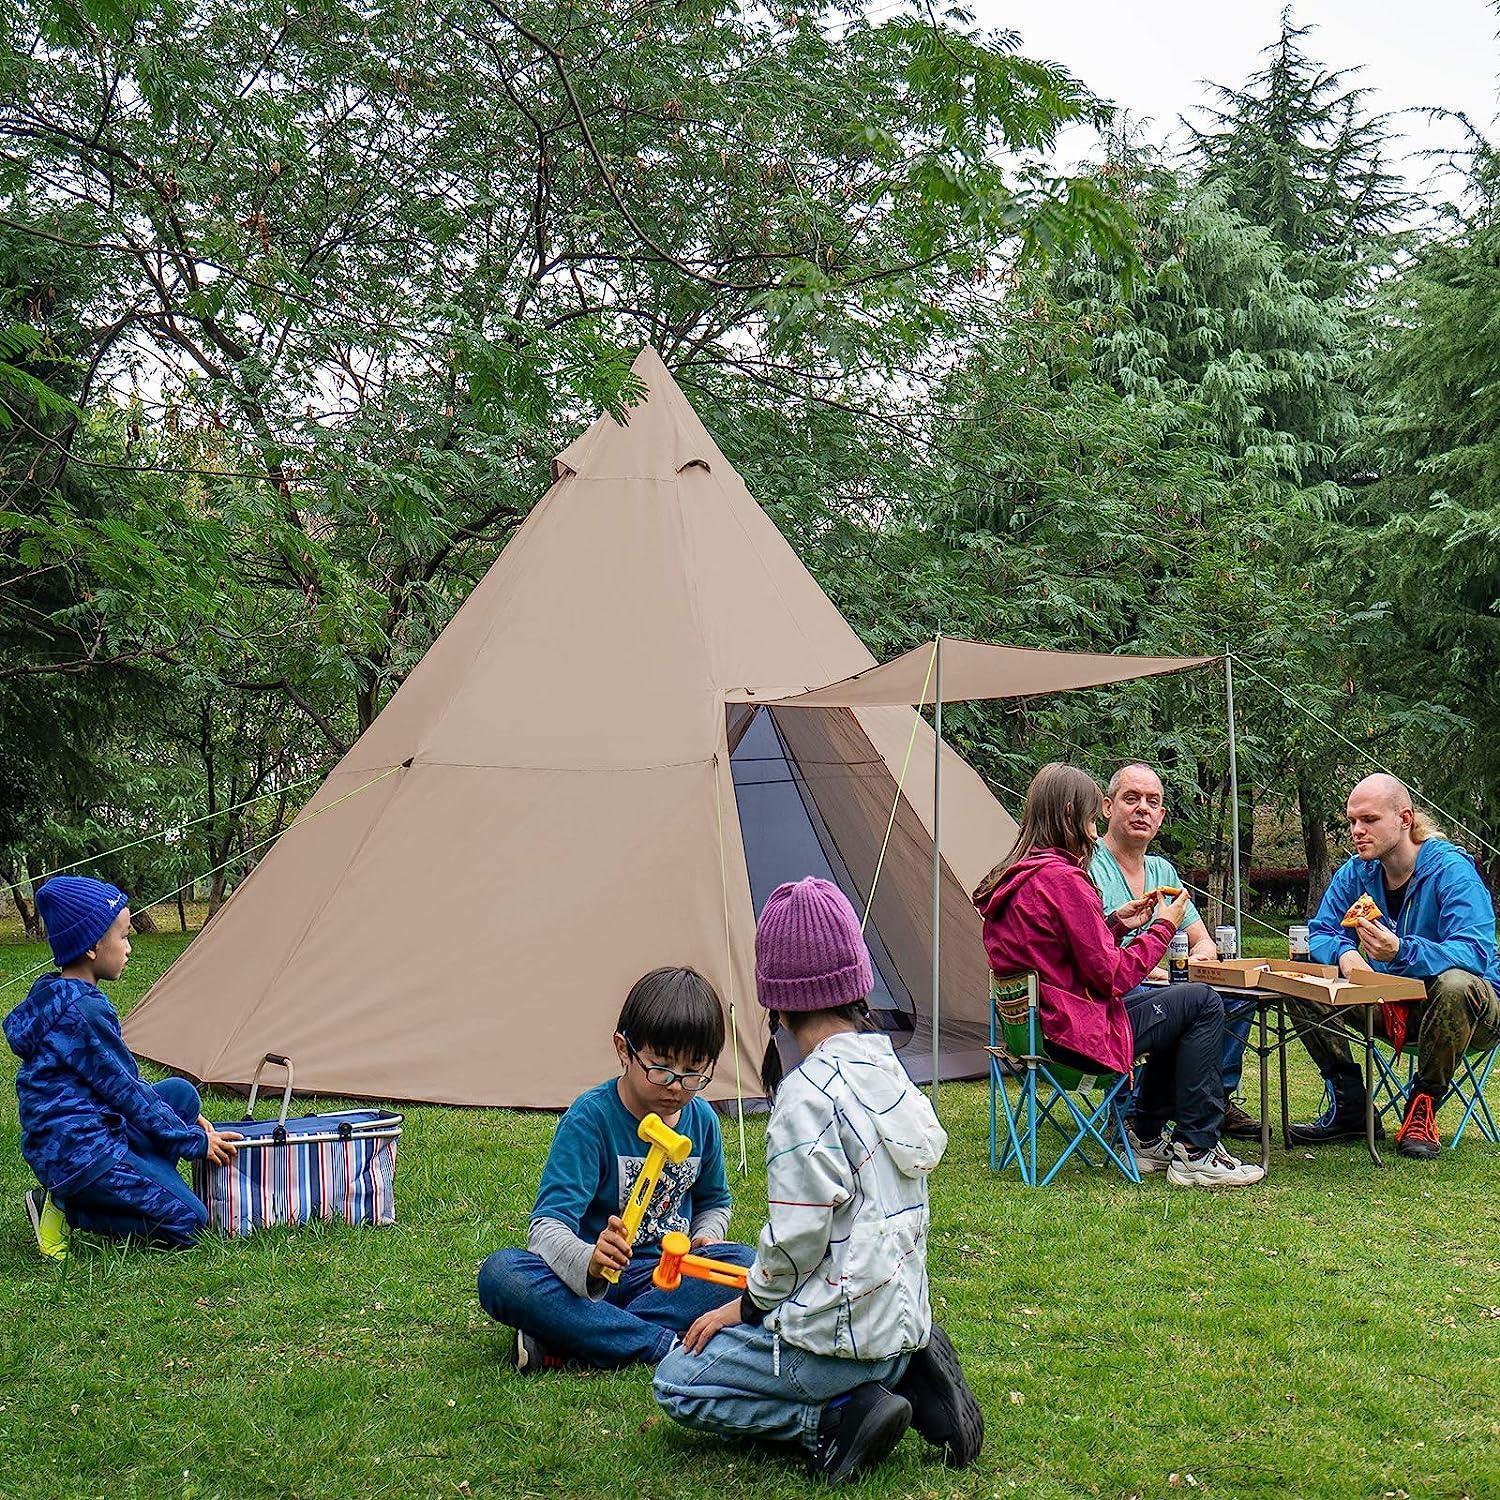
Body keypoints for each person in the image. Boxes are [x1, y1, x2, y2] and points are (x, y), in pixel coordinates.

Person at [653, 878, 984, 1485]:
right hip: (900, 1321)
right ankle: (905, 1372)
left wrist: (745, 1308)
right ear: (857, 980)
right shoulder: (890, 1070)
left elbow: (795, 1240)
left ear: (775, 1001)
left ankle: (836, 1419)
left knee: (676, 1380)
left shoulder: (806, 1099)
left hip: (835, 1344)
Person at [974, 763, 1264, 1188]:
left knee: (1181, 1007)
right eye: (1093, 816)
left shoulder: (1024, 876)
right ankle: (1198, 1149)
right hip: (1073, 1036)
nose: (1093, 829)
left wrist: (1117, 924)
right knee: (1201, 1001)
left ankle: (1145, 1135)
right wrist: (1164, 926)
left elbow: (1060, 956)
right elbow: (1112, 976)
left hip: (1036, 1030)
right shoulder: (1064, 879)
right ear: (1075, 813)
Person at [476, 966, 755, 1371]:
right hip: (589, 1286)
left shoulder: (703, 1121)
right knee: (502, 1273)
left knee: (746, 1263)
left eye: (694, 1072)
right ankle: (664, 1344)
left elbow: (715, 1201)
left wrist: (706, 1240)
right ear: (624, 1049)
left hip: (665, 1282)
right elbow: (546, 1227)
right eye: (661, 1067)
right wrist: (590, 1259)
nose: (676, 1086)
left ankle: (572, 1338)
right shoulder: (591, 1119)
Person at [5, 875, 241, 1258]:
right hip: (79, 1152)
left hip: (89, 1127)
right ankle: (70, 1208)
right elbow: (128, 1094)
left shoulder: (56, 993)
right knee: (191, 1223)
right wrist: (192, 1141)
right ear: (94, 946)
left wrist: (179, 1121)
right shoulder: (84, 1012)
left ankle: (138, 1182)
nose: (130, 948)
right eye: (124, 936)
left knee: (179, 1095)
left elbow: (120, 1085)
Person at [1289, 774, 1500, 1159]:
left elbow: (1475, 954)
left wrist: (1401, 950)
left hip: (1469, 1013)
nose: (1357, 830)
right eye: (1352, 821)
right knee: (1299, 980)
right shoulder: (1356, 872)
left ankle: (1423, 1106)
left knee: (1455, 983)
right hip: (1391, 1001)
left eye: (1368, 820)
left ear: (1404, 820)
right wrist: (1343, 954)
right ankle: (1351, 1103)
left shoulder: (1452, 871)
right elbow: (1319, 931)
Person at [1090, 762, 1260, 1139]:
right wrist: (1169, 976)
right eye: (1131, 798)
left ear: (1162, 816)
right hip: (1117, 989)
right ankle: (1137, 1113)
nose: (1142, 809)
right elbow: (1099, 954)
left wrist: (1199, 958)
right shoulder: (1090, 865)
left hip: (1165, 984)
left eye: (1153, 802)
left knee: (1238, 998)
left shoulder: (1162, 870)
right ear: (1107, 807)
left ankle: (1215, 1096)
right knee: (1189, 1001)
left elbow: (1203, 940)